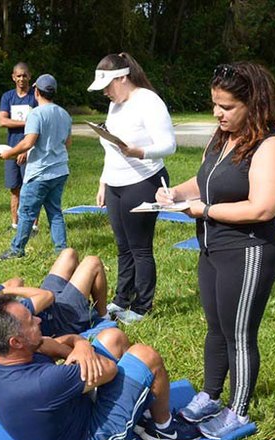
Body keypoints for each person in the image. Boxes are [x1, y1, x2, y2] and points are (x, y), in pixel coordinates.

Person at [155, 62, 275, 439]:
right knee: (216, 327)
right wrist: (177, 194)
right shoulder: (220, 138)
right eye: (215, 104)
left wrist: (205, 211)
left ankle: (238, 410)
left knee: (239, 332)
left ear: (254, 103)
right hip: (211, 247)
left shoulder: (270, 144)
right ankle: (211, 395)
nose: (218, 113)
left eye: (227, 107)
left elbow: (263, 207)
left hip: (248, 250)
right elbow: (205, 181)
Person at [0, 294, 201, 440]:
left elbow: (60, 342)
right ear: (15, 341)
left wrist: (81, 346)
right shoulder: (41, 383)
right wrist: (79, 347)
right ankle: (163, 429)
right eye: (30, 321)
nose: (38, 320)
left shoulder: (11, 356)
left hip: (74, 413)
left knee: (113, 337)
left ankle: (138, 412)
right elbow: (109, 370)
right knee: (146, 356)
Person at [87, 53, 177, 324]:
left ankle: (141, 307)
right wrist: (104, 181)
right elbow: (111, 147)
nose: (104, 92)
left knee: (139, 248)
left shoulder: (148, 101)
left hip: (143, 181)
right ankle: (121, 299)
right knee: (122, 246)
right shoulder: (116, 104)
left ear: (123, 77)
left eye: (107, 86)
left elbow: (169, 144)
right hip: (115, 184)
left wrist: (138, 152)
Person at [0, 248, 111, 336]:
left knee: (68, 254)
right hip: (63, 318)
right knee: (92, 262)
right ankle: (103, 316)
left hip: (49, 307)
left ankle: (79, 294)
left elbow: (17, 280)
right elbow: (47, 297)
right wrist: (6, 291)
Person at [0, 74, 71, 260]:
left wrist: (10, 153)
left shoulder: (36, 114)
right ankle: (61, 251)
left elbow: (28, 142)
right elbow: (67, 144)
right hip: (60, 171)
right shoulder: (64, 114)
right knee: (55, 211)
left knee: (26, 212)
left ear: (36, 91)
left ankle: (17, 250)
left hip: (40, 172)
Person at [0, 62, 38, 230]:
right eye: (18, 76)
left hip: (30, 149)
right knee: (14, 188)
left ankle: (34, 227)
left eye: (24, 75)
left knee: (31, 189)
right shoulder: (7, 97)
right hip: (12, 148)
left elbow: (39, 126)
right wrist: (25, 121)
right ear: (13, 77)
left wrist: (27, 149)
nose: (21, 79)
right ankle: (15, 224)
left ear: (29, 76)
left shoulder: (35, 97)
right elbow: (2, 121)